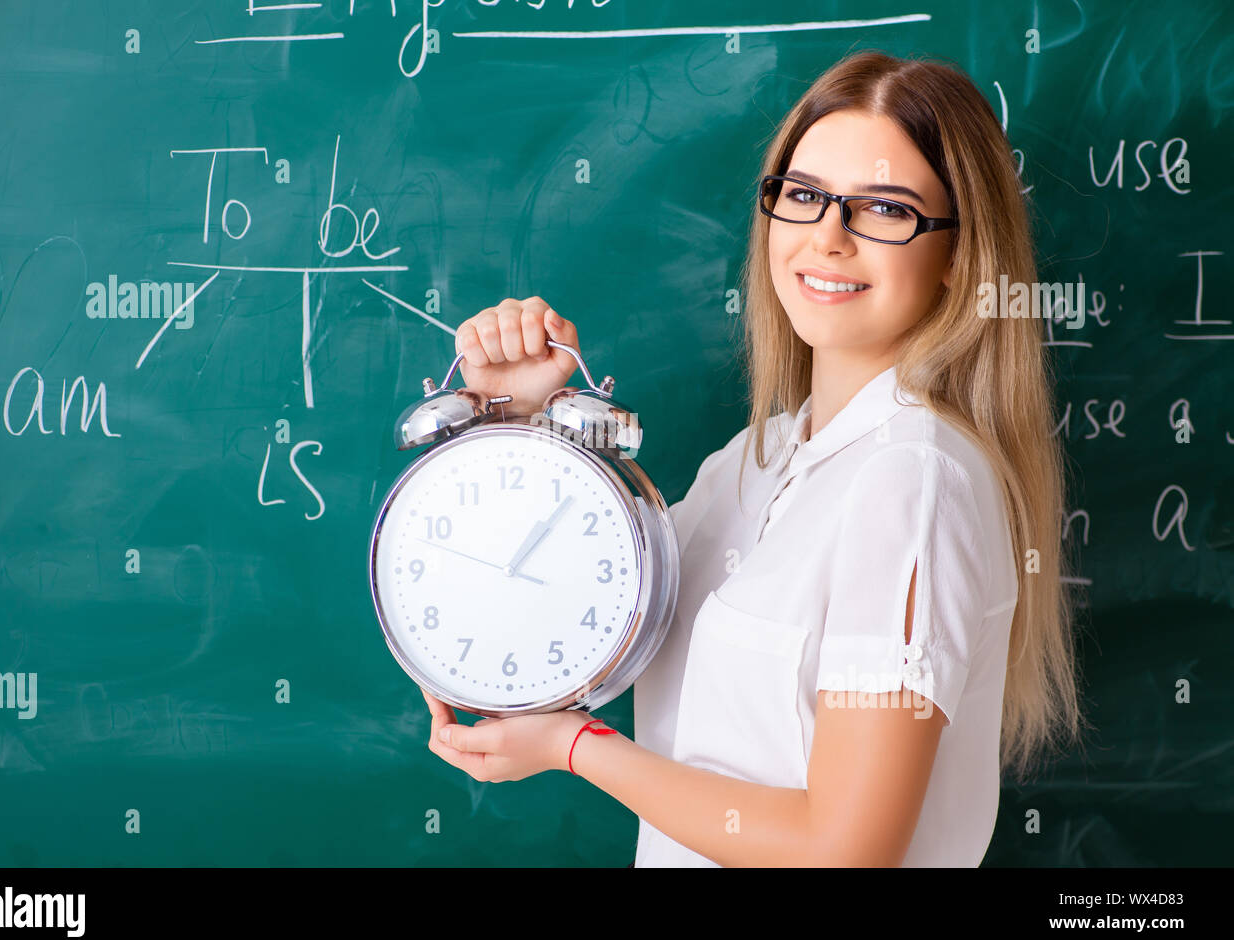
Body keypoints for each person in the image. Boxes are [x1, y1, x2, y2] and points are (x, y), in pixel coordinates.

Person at [420, 49, 1085, 867]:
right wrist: (517, 418)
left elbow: (842, 847)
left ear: (957, 260)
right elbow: (571, 608)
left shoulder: (912, 479)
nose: (828, 238)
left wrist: (575, 748)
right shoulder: (753, 462)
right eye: (804, 196)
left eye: (885, 209)